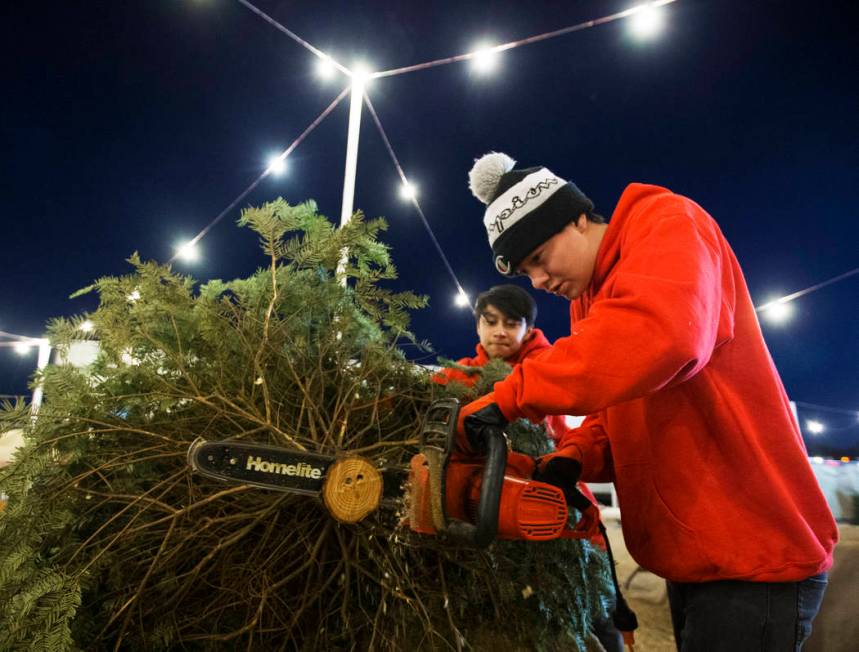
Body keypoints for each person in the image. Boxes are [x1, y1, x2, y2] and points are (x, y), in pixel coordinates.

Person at [458, 152, 838, 650]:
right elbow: (614, 416)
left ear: (575, 218)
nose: (540, 281)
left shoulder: (667, 223)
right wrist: (571, 458)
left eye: (539, 258)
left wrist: (511, 395)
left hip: (754, 554)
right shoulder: (589, 301)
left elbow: (663, 336)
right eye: (527, 272)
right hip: (701, 561)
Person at [434, 283, 627, 652]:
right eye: (490, 322)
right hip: (493, 513)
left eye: (511, 323)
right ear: (477, 326)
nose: (500, 332)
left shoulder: (555, 368)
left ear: (528, 328)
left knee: (593, 607)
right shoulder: (461, 376)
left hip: (560, 507)